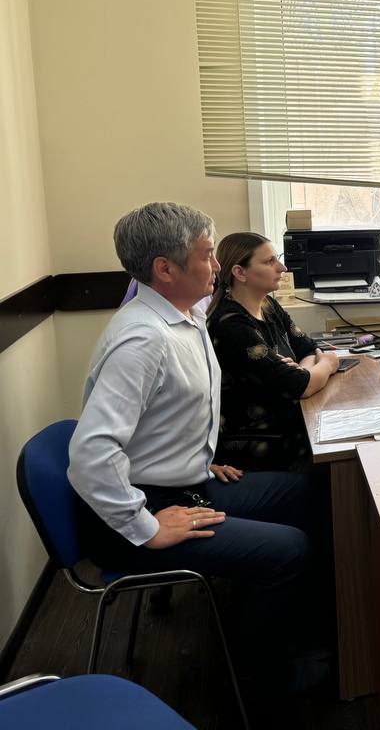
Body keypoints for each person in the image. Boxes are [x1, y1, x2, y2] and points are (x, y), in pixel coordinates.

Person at [67, 203, 324, 709]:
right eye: (207, 255)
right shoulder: (142, 339)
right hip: (141, 514)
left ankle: (309, 625)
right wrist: (146, 526)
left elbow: (161, 417)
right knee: (289, 549)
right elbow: (91, 452)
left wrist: (197, 458)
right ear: (165, 269)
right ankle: (258, 678)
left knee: (307, 491)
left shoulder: (187, 315)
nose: (216, 266)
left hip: (184, 483)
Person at [207, 231, 340, 471]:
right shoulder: (230, 324)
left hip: (289, 424)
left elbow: (307, 348)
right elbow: (301, 386)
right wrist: (328, 364)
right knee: (343, 460)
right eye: (269, 261)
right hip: (261, 444)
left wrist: (302, 371)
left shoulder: (268, 305)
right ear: (240, 273)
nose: (282, 267)